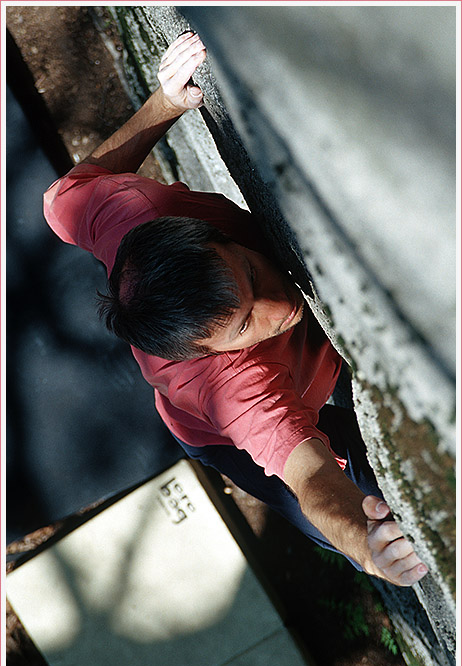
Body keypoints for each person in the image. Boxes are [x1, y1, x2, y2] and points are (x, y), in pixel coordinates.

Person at [44, 32, 428, 587]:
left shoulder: (135, 211)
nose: (280, 304)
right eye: (247, 322)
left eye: (249, 271)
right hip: (227, 438)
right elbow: (309, 476)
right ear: (208, 351)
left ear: (202, 234)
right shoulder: (230, 390)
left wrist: (167, 102)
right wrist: (365, 545)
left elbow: (63, 196)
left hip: (299, 372)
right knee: (363, 508)